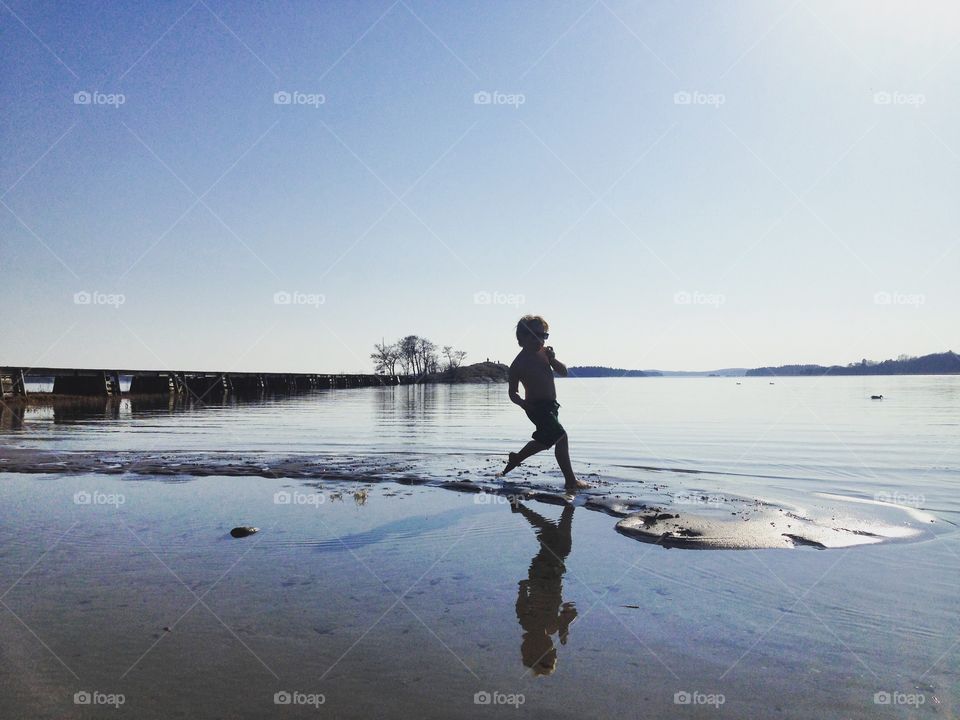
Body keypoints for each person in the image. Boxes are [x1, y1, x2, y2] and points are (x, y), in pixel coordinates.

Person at [501, 315, 589, 490]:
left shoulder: (545, 354)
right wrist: (524, 404)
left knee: (544, 441)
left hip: (551, 406)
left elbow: (564, 372)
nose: (540, 340)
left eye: (544, 336)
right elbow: (512, 393)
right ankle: (571, 481)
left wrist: (553, 359)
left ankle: (517, 458)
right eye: (536, 335)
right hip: (535, 408)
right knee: (561, 437)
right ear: (522, 338)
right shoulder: (518, 364)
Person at [512, 500, 578, 676]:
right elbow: (570, 610)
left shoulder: (534, 623)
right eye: (553, 650)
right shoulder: (552, 627)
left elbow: (521, 606)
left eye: (550, 649)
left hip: (542, 574)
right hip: (551, 575)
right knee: (554, 537)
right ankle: (567, 508)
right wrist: (565, 627)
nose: (553, 646)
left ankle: (568, 508)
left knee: (557, 540)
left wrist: (523, 588)